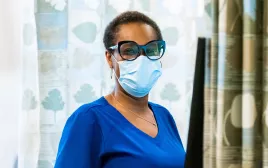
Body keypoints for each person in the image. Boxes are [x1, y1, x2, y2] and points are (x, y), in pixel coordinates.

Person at [54, 11, 185, 168]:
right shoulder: (89, 119)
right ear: (110, 58)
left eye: (151, 50)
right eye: (129, 51)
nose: (142, 59)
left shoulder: (164, 116)